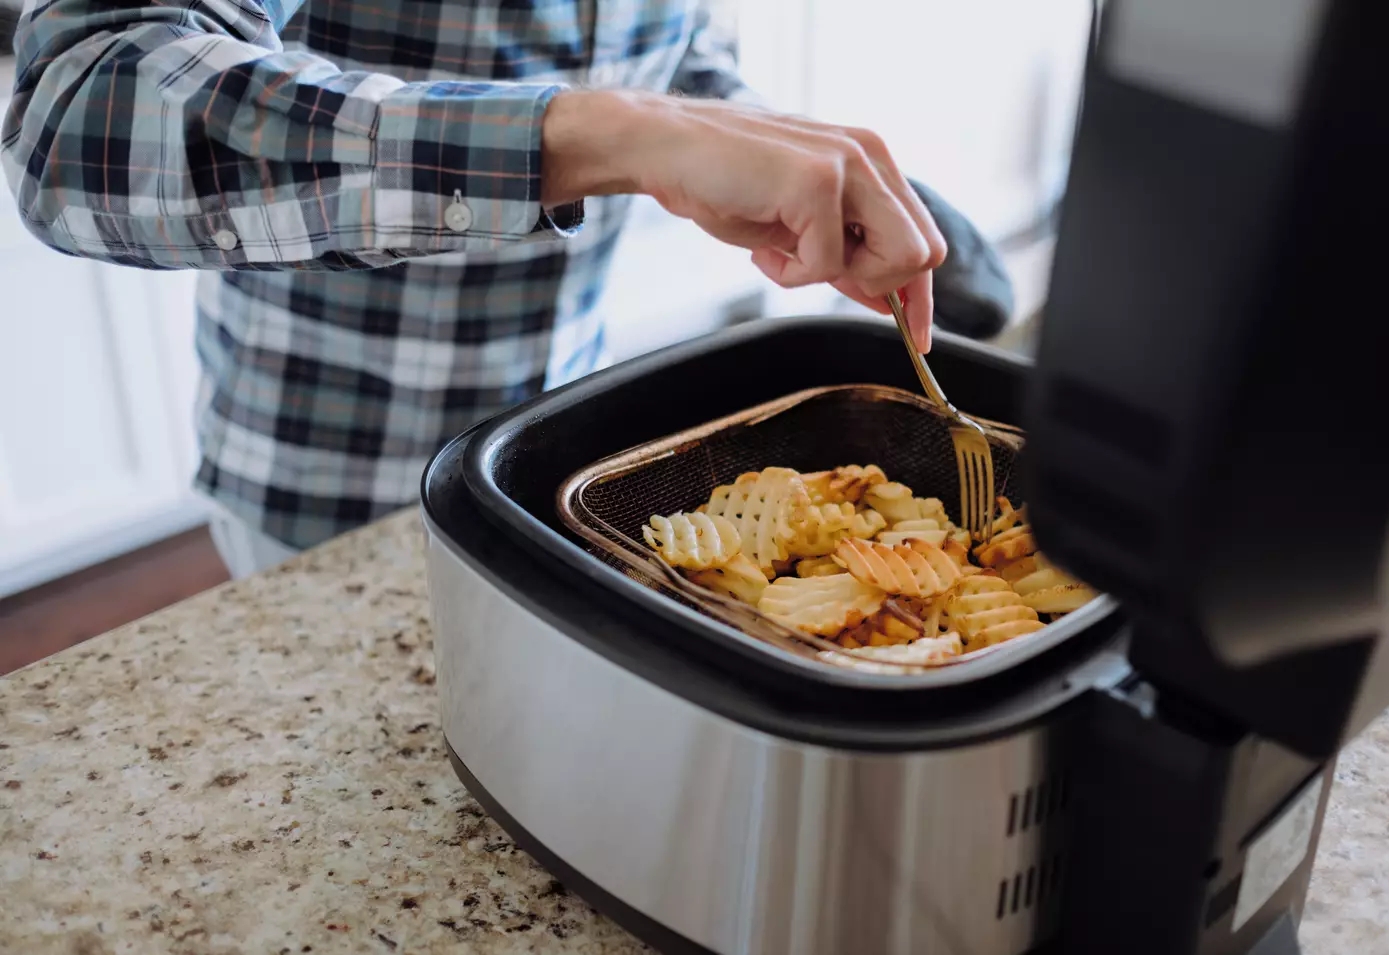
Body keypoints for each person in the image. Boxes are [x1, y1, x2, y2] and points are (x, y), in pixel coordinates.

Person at [2, 1, 946, 579]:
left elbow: (677, 49)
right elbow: (76, 120)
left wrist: (782, 153)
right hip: (331, 492)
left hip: (562, 453)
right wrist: (613, 136)